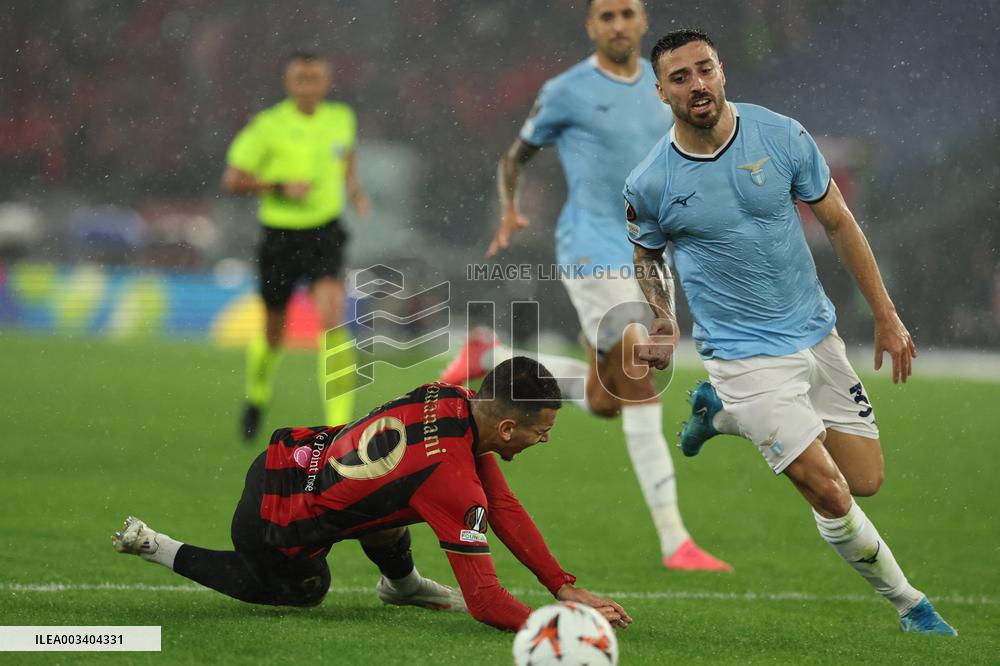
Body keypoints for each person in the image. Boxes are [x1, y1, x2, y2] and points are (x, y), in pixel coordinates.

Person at [627, 28, 956, 635]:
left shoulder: (781, 135)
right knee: (832, 494)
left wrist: (884, 313)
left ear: (722, 71)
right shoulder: (651, 182)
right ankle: (914, 607)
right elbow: (647, 257)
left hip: (815, 333)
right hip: (741, 354)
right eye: (680, 77)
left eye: (704, 69)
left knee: (866, 480)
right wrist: (664, 317)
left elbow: (838, 222)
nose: (696, 84)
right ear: (661, 92)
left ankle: (720, 416)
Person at [441, 0, 730, 572]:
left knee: (605, 399)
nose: (619, 24)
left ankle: (491, 353)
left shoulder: (667, 89)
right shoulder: (567, 90)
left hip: (649, 251)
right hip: (590, 247)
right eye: (607, 16)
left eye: (628, 13)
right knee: (643, 368)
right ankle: (676, 539)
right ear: (591, 27)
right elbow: (514, 157)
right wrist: (508, 212)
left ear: (643, 21)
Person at [112, 357, 632, 633]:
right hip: (278, 522)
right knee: (302, 591)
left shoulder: (452, 398)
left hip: (288, 458)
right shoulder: (452, 484)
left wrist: (561, 586)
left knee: (393, 499)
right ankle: (156, 545)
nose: (544, 440)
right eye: (542, 431)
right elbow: (486, 602)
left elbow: (502, 505)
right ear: (509, 429)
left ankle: (401, 586)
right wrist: (563, 624)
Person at [222, 51, 371, 441]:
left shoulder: (341, 118)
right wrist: (278, 187)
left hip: (324, 233)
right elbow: (233, 180)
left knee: (332, 318)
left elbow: (348, 157)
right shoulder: (267, 126)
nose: (308, 85)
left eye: (315, 78)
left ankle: (340, 429)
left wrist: (354, 190)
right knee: (274, 334)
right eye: (300, 78)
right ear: (288, 82)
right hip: (280, 237)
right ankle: (256, 397)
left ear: (327, 82)